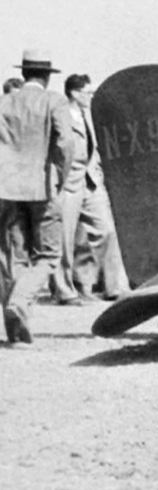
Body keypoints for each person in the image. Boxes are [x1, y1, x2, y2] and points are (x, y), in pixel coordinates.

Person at [0, 49, 76, 343]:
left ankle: (17, 334)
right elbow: (66, 142)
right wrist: (61, 174)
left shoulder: (5, 101)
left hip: (6, 188)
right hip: (42, 186)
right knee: (48, 254)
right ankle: (19, 303)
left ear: (23, 73)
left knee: (14, 256)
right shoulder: (54, 101)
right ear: (46, 76)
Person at [50, 75, 126, 303]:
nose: (91, 96)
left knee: (107, 230)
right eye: (87, 92)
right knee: (64, 238)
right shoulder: (60, 115)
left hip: (91, 181)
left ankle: (115, 287)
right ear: (74, 93)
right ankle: (64, 291)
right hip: (67, 183)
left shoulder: (90, 116)